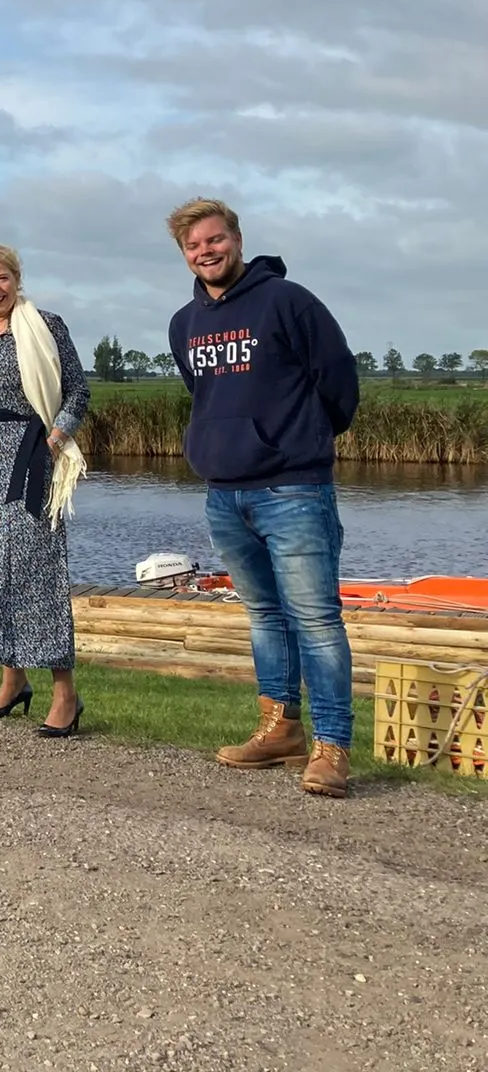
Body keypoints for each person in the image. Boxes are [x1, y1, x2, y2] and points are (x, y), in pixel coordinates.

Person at [168, 199, 359, 797]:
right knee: (264, 617)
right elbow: (203, 394)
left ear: (237, 239)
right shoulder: (184, 323)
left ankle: (332, 747)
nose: (206, 251)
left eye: (215, 239)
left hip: (293, 489)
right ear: (185, 254)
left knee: (316, 620)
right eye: (194, 245)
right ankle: (280, 728)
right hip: (224, 494)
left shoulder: (288, 301)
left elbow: (339, 384)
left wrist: (295, 441)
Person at [0, 243, 90, 736]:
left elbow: (77, 390)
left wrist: (53, 439)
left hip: (27, 456)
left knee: (33, 573)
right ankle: (13, 679)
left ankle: (66, 693)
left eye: (1, 278)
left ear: (16, 278)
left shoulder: (44, 325)